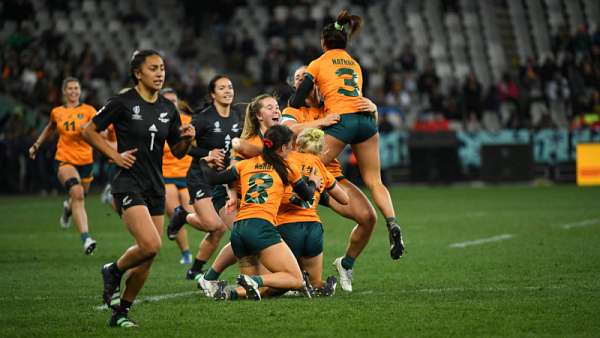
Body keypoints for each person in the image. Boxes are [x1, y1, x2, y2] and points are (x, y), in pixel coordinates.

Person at [82, 50, 195, 327]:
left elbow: (177, 152)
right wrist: (113, 154)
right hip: (128, 181)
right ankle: (113, 270)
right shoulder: (122, 102)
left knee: (149, 255)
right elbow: (88, 130)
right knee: (151, 243)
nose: (160, 74)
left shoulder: (169, 109)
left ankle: (121, 312)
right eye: (154, 69)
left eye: (162, 69)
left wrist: (188, 140)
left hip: (155, 184)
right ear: (138, 73)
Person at [290, 10, 405, 264]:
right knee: (375, 181)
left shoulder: (318, 64)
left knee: (309, 165)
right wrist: (373, 107)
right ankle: (392, 222)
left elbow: (296, 100)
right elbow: (356, 96)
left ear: (323, 43)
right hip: (365, 120)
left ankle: (300, 212)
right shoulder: (354, 63)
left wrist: (305, 87)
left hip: (342, 120)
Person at [283, 65, 378, 292]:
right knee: (288, 225)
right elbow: (286, 129)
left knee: (368, 217)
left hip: (328, 176)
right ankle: (285, 277)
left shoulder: (333, 105)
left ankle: (346, 264)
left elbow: (364, 128)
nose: (301, 80)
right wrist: (321, 123)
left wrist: (373, 109)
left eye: (305, 76)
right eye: (297, 78)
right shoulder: (293, 109)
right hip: (297, 178)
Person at [202, 124, 321, 300]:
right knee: (296, 280)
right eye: (290, 146)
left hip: (239, 228)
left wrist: (203, 162)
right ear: (282, 148)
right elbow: (307, 195)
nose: (292, 150)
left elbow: (213, 179)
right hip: (260, 226)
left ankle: (228, 293)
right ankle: (256, 281)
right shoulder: (288, 168)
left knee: (253, 291)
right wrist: (312, 182)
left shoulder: (245, 164)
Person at [194, 94, 281, 296]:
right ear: (259, 115)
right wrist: (232, 195)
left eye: (277, 107)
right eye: (270, 107)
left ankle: (209, 279)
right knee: (246, 235)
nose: (277, 110)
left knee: (245, 236)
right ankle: (210, 279)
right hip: (229, 192)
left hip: (254, 196)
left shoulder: (278, 137)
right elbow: (232, 172)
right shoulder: (248, 141)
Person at [166, 75, 243, 281]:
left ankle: (195, 270)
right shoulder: (202, 118)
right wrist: (205, 155)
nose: (227, 91)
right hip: (200, 176)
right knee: (214, 226)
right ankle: (184, 216)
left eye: (230, 87)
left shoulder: (237, 116)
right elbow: (183, 148)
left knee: (221, 230)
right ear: (212, 94)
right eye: (222, 88)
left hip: (224, 178)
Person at [28, 77, 97, 255]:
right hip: (65, 159)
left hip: (86, 162)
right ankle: (86, 239)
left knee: (80, 197)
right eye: (70, 89)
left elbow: (100, 129)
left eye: (76, 88)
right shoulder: (57, 112)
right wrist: (36, 145)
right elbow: (50, 127)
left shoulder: (89, 110)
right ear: (64, 92)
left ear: (80, 91)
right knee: (78, 193)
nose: (73, 91)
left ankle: (67, 209)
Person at [276, 128, 349, 296]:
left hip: (286, 226)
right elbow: (345, 199)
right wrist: (321, 192)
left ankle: (252, 286)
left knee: (276, 281)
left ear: (296, 144)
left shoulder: (286, 159)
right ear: (322, 149)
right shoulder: (320, 167)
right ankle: (323, 285)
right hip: (313, 228)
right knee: (315, 282)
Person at [160, 87, 193, 265]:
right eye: (167, 101)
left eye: (173, 101)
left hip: (187, 176)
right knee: (175, 214)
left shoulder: (188, 121)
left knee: (192, 215)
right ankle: (186, 253)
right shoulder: (157, 123)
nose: (171, 104)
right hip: (166, 175)